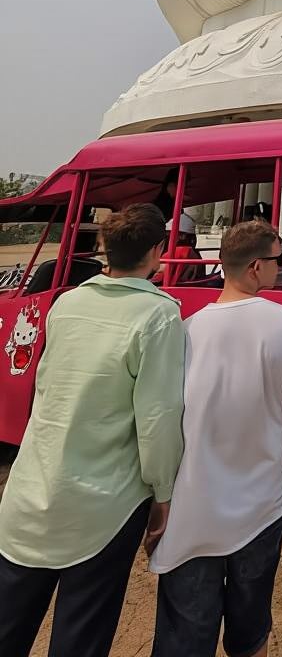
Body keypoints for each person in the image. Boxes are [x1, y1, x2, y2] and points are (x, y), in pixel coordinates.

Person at [0, 204, 185, 657]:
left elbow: (47, 388)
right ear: (158, 251)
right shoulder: (159, 316)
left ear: (105, 248)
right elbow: (157, 420)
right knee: (80, 638)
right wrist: (164, 494)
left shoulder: (68, 302)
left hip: (31, 491)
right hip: (106, 506)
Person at [149, 221, 282, 657]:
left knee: (184, 637)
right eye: (279, 260)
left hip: (193, 509)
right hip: (261, 504)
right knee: (250, 631)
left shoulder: (186, 331)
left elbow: (165, 419)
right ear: (257, 266)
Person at [24, 227, 102, 295]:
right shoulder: (96, 267)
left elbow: (31, 293)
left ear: (67, 244)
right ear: (94, 246)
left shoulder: (51, 267)